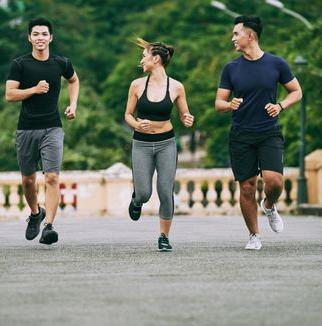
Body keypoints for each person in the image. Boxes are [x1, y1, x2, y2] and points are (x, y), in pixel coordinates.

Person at [215, 16, 302, 250]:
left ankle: (269, 205)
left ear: (250, 36)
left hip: (268, 132)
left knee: (274, 182)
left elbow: (296, 92)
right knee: (247, 187)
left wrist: (281, 106)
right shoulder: (231, 68)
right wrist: (229, 104)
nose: (233, 38)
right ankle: (254, 235)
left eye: (236, 33)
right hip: (241, 134)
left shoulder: (276, 63)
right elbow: (219, 103)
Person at [5, 17, 79, 245]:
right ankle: (36, 213)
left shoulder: (61, 63)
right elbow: (10, 95)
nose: (40, 38)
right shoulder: (20, 64)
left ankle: (48, 226)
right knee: (28, 180)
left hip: (52, 127)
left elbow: (74, 81)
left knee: (52, 176)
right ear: (29, 38)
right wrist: (34, 90)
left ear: (51, 37)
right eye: (35, 34)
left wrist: (73, 104)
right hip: (26, 129)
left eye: (44, 34)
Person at [125, 38, 194, 252]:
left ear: (156, 59)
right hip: (142, 144)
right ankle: (136, 201)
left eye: (144, 56)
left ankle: (164, 236)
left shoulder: (176, 87)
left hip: (166, 143)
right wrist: (137, 124)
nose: (141, 60)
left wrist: (187, 119)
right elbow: (128, 115)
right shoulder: (137, 85)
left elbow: (184, 114)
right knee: (144, 193)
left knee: (165, 191)